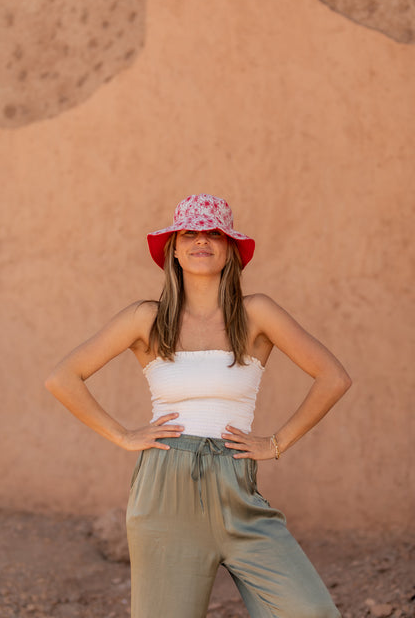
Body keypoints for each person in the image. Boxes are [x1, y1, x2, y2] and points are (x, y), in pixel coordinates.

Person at [45, 193, 351, 618]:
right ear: (173, 249)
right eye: (189, 233)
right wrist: (123, 435)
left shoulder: (257, 313)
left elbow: (334, 377)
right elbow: (62, 378)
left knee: (311, 611)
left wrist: (277, 443)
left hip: (238, 490)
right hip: (165, 490)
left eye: (214, 233)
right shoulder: (145, 319)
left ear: (230, 251)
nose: (201, 241)